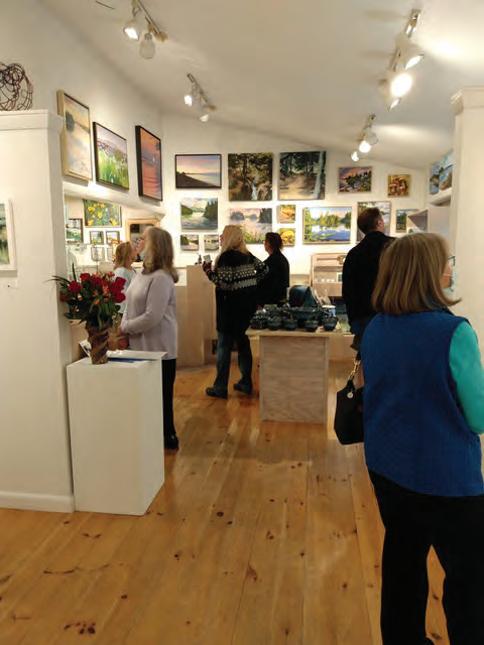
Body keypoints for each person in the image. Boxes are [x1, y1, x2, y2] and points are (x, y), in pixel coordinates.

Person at [361, 233, 484, 645]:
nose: (451, 268)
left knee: (403, 563)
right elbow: (479, 416)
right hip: (446, 476)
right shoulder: (454, 332)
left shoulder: (377, 328)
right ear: (429, 272)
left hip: (388, 467)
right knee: (469, 578)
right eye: (446, 261)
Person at [121, 227, 180, 451]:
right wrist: (124, 325)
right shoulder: (141, 274)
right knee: (145, 398)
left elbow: (152, 316)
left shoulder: (162, 278)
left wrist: (125, 328)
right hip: (140, 346)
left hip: (158, 349)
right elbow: (128, 303)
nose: (138, 242)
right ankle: (148, 438)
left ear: (155, 245)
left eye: (143, 239)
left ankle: (166, 437)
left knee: (161, 399)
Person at [203, 225, 268, 398]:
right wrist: (250, 283)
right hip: (246, 308)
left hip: (229, 309)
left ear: (229, 237)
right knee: (243, 345)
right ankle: (246, 383)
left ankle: (220, 387)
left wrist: (208, 271)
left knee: (223, 347)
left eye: (223, 235)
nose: (220, 238)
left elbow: (224, 283)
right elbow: (264, 269)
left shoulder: (226, 257)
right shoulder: (247, 255)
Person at [342, 207, 392, 348]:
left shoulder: (353, 254)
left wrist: (354, 322)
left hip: (364, 319)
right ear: (379, 223)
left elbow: (348, 291)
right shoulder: (395, 247)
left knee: (367, 357)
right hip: (393, 316)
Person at [257, 232, 290, 306]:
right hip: (280, 299)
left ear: (268, 243)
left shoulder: (272, 261)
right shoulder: (282, 259)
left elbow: (262, 282)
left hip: (271, 302)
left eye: (265, 241)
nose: (264, 244)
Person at [113, 241, 136, 314]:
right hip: (124, 311)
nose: (136, 252)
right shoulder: (121, 271)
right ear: (128, 255)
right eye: (133, 250)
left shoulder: (131, 269)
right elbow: (122, 295)